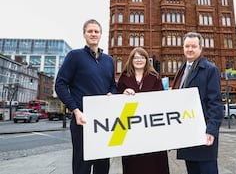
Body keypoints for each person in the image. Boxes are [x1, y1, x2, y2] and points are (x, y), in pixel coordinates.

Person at [55, 19, 117, 174]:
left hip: (104, 122)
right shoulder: (75, 56)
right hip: (82, 120)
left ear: (101, 35)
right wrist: (75, 110)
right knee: (82, 166)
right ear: (84, 34)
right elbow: (60, 84)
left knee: (103, 165)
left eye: (96, 31)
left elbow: (112, 86)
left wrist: (112, 94)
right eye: (90, 31)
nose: (93, 34)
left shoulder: (109, 60)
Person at [172, 32, 224, 174]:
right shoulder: (182, 69)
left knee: (207, 169)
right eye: (187, 46)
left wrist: (211, 130)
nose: (190, 49)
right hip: (188, 131)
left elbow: (216, 103)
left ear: (200, 48)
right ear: (183, 48)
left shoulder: (210, 69)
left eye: (193, 46)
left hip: (203, 132)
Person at [117, 47, 170, 174]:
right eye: (136, 57)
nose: (139, 60)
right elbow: (117, 99)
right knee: (134, 165)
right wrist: (123, 93)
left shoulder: (155, 77)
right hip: (132, 131)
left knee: (155, 165)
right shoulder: (124, 78)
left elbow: (162, 101)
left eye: (142, 57)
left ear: (147, 60)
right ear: (131, 60)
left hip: (152, 130)